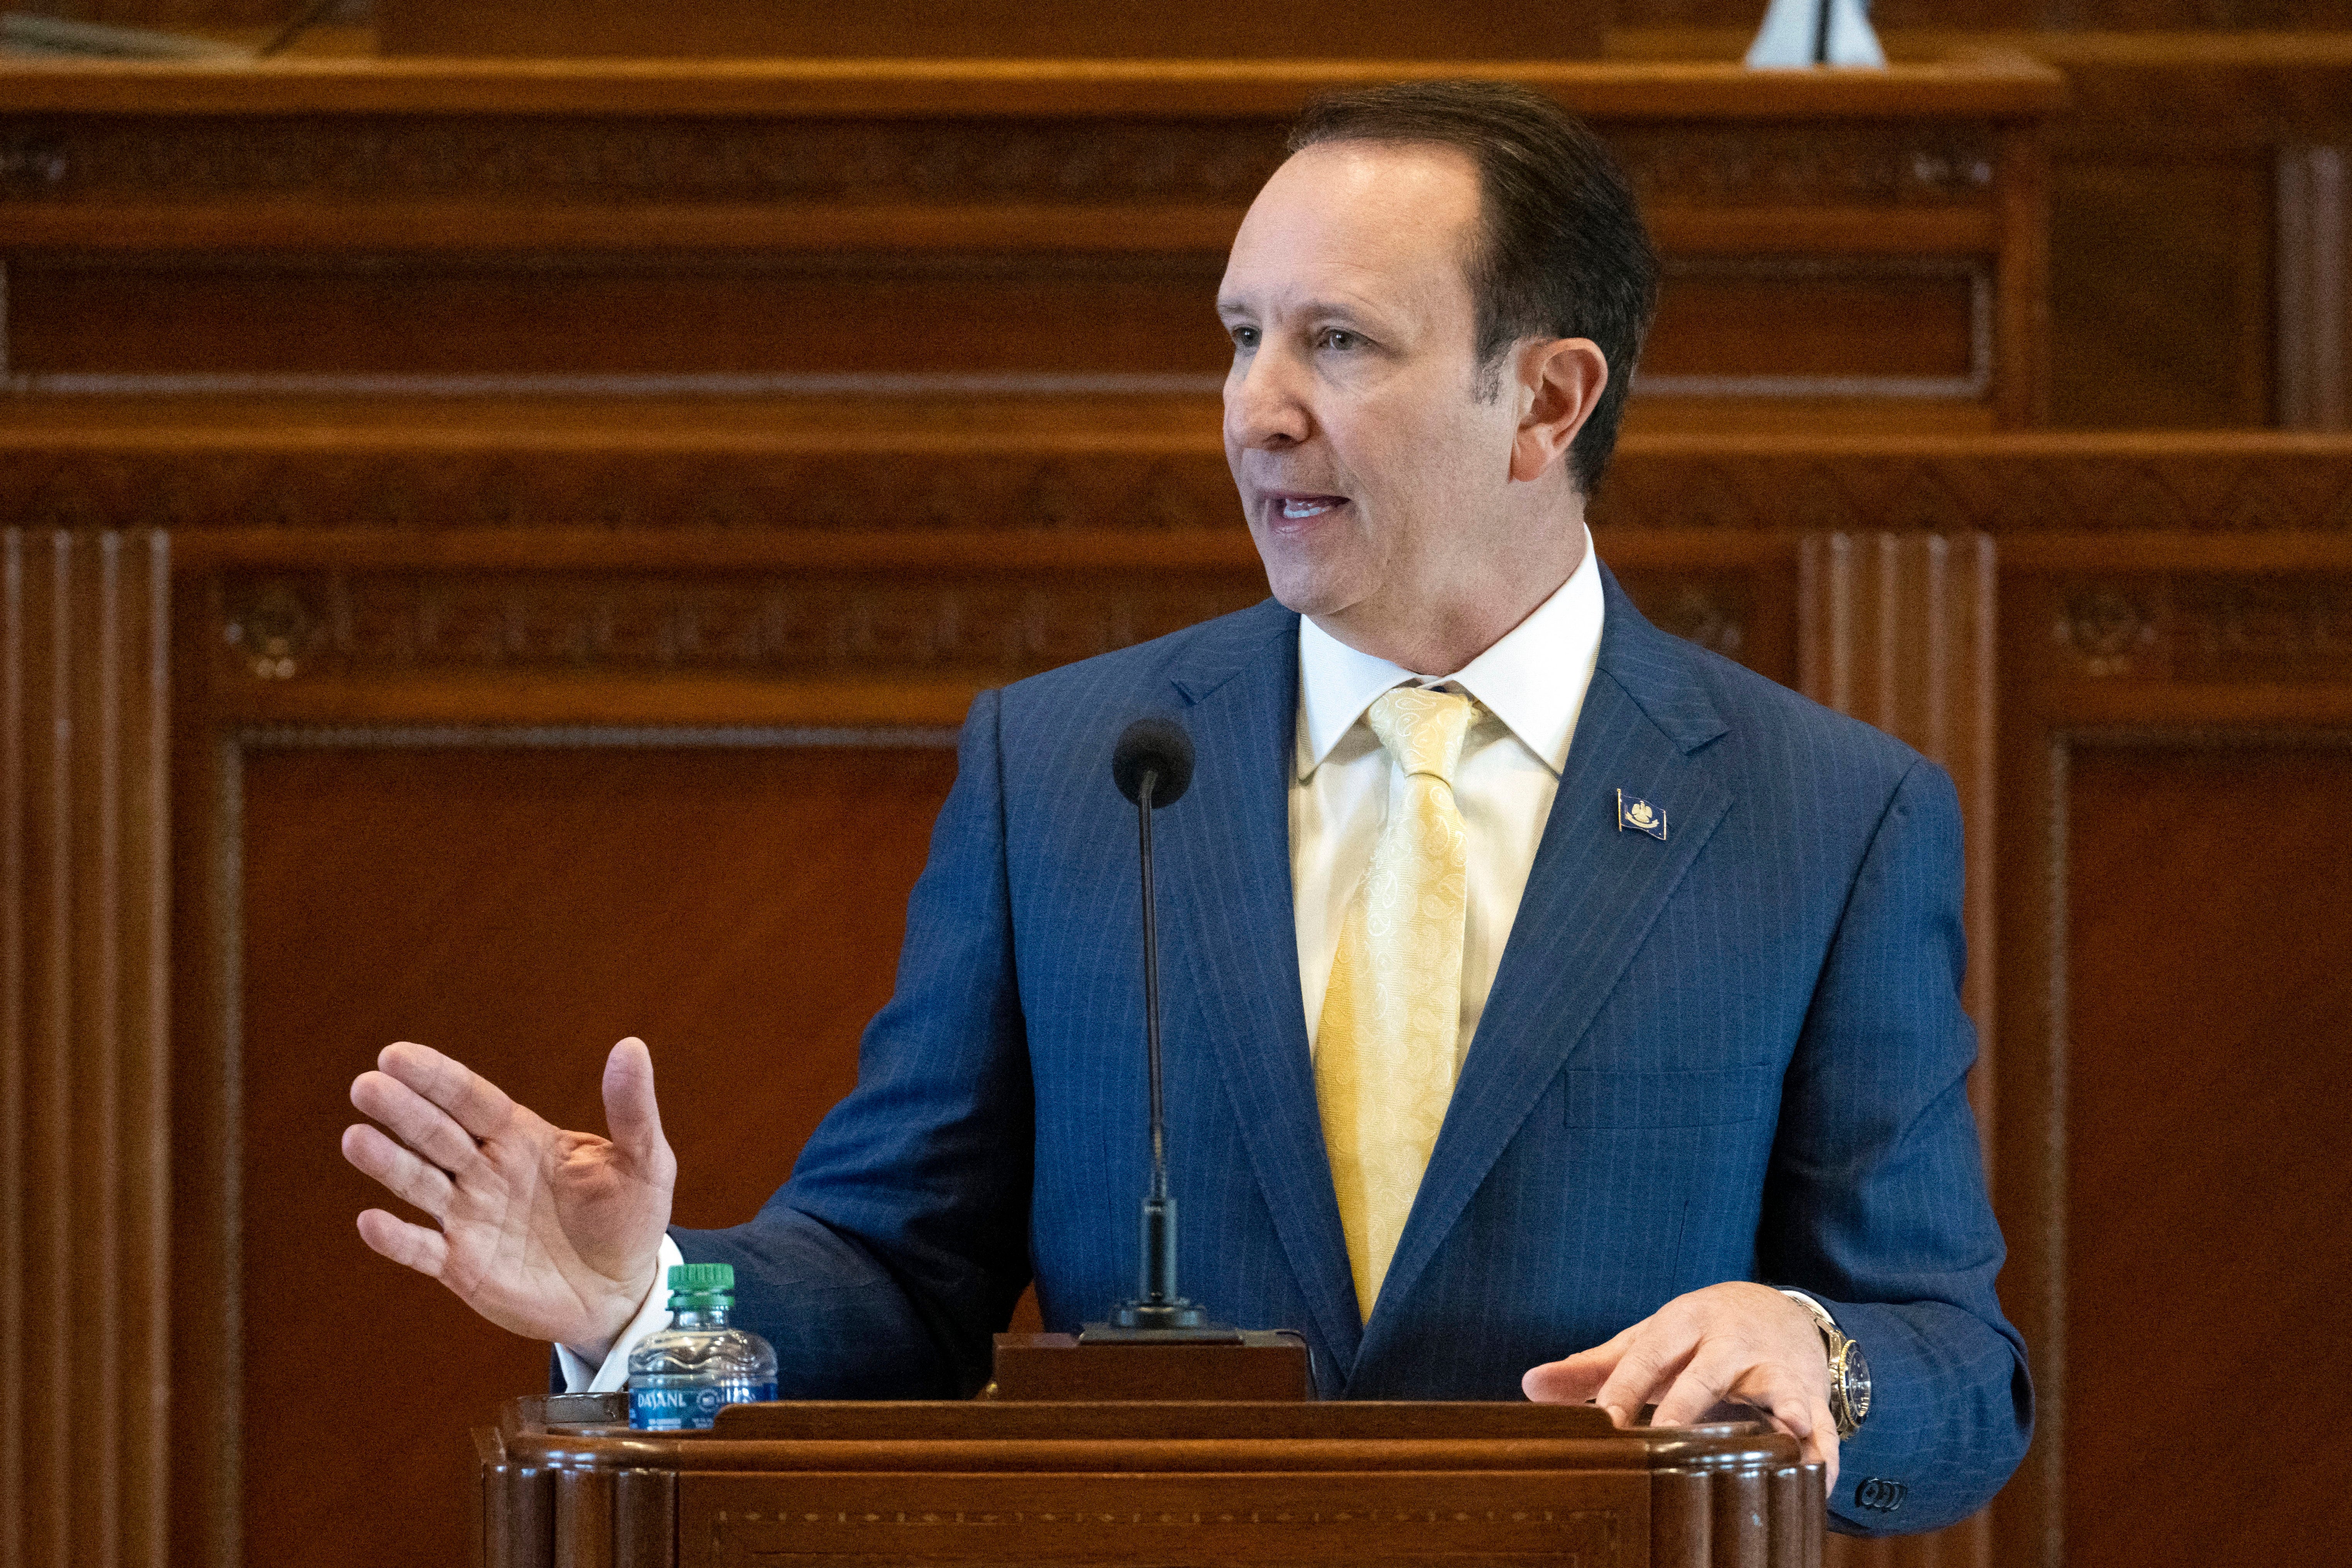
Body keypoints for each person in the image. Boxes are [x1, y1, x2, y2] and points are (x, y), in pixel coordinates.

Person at [342, 81, 2030, 1536]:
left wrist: (1821, 1350)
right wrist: (645, 1301)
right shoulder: (1067, 764)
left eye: (1338, 342)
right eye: (1241, 336)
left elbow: (1957, 1367)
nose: (1254, 407)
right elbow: (890, 1277)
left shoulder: (1826, 814)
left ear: (1544, 399)